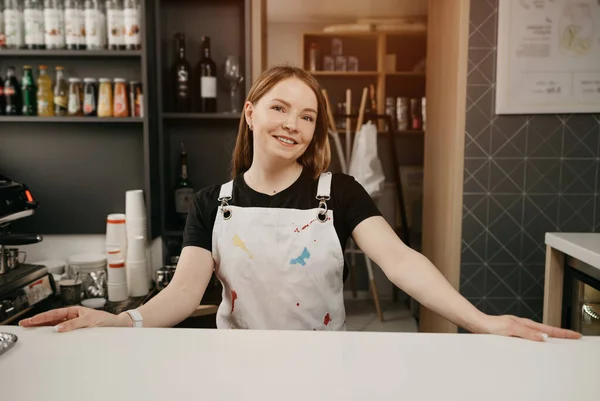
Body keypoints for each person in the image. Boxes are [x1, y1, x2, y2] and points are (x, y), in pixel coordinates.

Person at [21, 65, 580, 342]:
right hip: (237, 370)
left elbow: (401, 261)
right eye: (281, 109)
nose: (294, 124)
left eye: (308, 117)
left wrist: (482, 322)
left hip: (323, 367)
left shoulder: (338, 193)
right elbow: (184, 293)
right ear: (251, 112)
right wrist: (123, 321)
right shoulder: (212, 203)